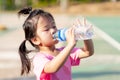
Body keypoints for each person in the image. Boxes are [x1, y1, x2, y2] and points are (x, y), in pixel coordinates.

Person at [18, 7, 94, 80]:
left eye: (54, 26)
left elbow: (88, 52)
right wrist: (70, 45)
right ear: (35, 40)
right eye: (46, 29)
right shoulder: (39, 58)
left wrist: (85, 36)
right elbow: (52, 68)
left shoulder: (64, 51)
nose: (53, 30)